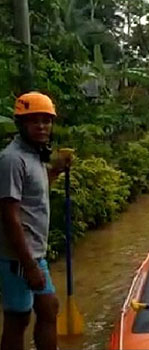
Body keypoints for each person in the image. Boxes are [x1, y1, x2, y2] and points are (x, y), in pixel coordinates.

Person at [0, 92, 72, 350]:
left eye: (46, 121)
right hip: (18, 257)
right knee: (18, 319)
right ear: (21, 124)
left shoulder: (35, 154)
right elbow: (8, 214)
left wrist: (55, 171)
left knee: (48, 308)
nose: (42, 126)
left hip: (35, 253)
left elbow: (35, 194)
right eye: (34, 121)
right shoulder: (12, 159)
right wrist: (28, 265)